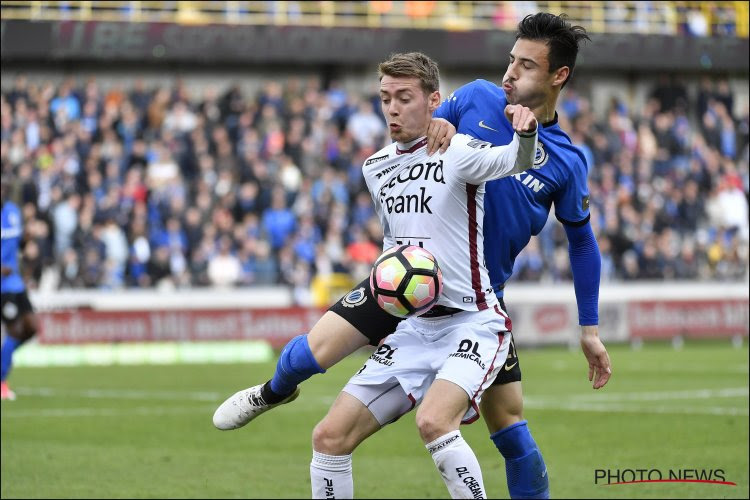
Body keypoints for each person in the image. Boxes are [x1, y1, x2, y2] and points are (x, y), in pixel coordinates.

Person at [213, 13, 612, 500]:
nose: (510, 74)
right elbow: (431, 122)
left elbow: (582, 243)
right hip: (407, 280)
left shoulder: (566, 162)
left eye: (526, 66)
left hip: (475, 297)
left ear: (558, 76)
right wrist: (437, 123)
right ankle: (272, 391)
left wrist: (588, 329)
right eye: (510, 60)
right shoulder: (480, 97)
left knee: (507, 423)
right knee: (315, 351)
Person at [313, 51, 538, 498]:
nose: (393, 108)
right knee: (329, 438)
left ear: (433, 100)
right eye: (385, 99)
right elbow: (394, 249)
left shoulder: (458, 152)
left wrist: (527, 133)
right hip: (414, 328)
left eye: (404, 98)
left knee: (434, 421)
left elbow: (516, 161)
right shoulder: (374, 168)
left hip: (473, 321)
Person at [1, 176, 39, 401]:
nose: (3, 192)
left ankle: (3, 361)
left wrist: (26, 238)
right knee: (15, 329)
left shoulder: (13, 211)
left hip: (15, 282)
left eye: (5, 189)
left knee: (32, 327)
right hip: (1, 287)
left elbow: (21, 247)